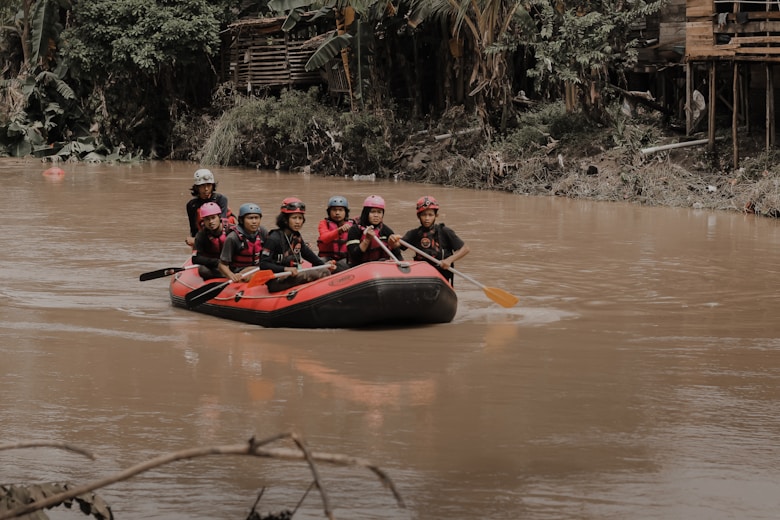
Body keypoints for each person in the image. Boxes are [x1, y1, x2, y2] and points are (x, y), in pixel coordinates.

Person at [260, 197, 335, 293]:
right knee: (309, 274)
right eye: (294, 218)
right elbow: (263, 264)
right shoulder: (274, 238)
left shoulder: (296, 236)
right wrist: (285, 269)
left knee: (325, 271)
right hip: (277, 280)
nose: (298, 222)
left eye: (300, 218)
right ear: (285, 220)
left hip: (292, 274)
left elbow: (307, 254)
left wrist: (323, 265)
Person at [401, 195, 470, 286]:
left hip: (441, 277)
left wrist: (449, 260)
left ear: (436, 216)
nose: (427, 218)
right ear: (418, 216)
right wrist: (393, 239)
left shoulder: (445, 231)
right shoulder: (413, 234)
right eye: (424, 215)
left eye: (430, 215)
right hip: (422, 277)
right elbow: (396, 246)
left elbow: (465, 249)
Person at [217, 203, 268, 282]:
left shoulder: (262, 232)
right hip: (240, 272)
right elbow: (222, 264)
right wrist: (231, 275)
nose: (254, 221)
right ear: (241, 220)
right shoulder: (233, 238)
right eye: (250, 218)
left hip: (258, 268)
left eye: (256, 218)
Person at [346, 195, 402, 266]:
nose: (376, 215)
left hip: (380, 266)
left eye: (379, 212)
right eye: (372, 212)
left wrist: (394, 245)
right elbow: (355, 255)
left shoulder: (386, 230)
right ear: (366, 213)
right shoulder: (355, 230)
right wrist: (367, 240)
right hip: (359, 266)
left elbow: (397, 255)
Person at [185, 168, 233, 247]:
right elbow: (193, 228)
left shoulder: (221, 199)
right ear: (197, 187)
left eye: (208, 185)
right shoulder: (192, 205)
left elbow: (224, 222)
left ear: (212, 185)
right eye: (203, 186)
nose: (206, 189)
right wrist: (195, 241)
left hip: (221, 234)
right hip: (203, 234)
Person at [191, 202, 235, 280]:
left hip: (231, 264)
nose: (211, 222)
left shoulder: (232, 231)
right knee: (203, 270)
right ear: (203, 221)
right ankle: (224, 275)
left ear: (219, 217)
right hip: (214, 266)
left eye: (213, 217)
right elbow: (195, 259)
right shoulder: (201, 235)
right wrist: (216, 262)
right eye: (207, 219)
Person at [316, 195, 356, 272]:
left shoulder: (353, 225)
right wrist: (339, 231)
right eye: (334, 210)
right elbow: (324, 238)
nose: (337, 213)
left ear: (345, 212)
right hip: (327, 258)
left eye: (340, 210)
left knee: (346, 263)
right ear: (329, 212)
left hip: (345, 259)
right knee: (319, 263)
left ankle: (335, 269)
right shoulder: (323, 223)